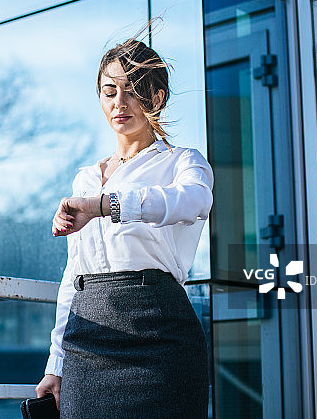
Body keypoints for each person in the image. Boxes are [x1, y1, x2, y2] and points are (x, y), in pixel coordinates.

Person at [34, 37, 213, 419]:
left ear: (157, 98)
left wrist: (105, 206)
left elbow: (194, 201)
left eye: (133, 92)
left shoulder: (184, 161)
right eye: (110, 91)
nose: (120, 103)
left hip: (161, 334)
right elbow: (74, 276)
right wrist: (56, 364)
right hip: (88, 337)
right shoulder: (85, 179)